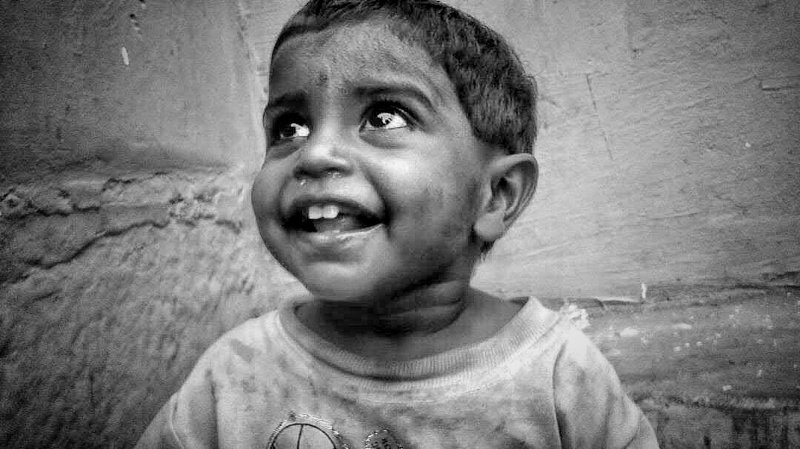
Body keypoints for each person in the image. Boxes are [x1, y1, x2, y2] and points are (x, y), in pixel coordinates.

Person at [136, 0, 659, 447]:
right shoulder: (232, 376)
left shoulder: (558, 377)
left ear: (495, 196)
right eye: (289, 127)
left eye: (384, 117)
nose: (314, 154)